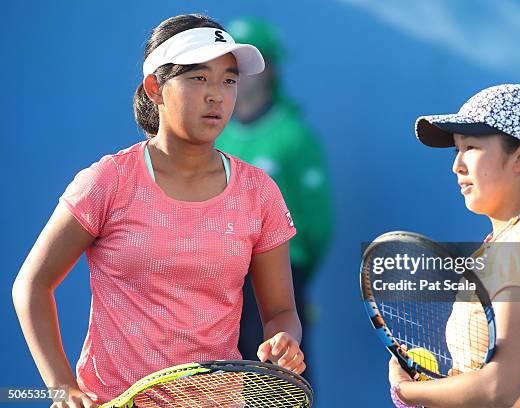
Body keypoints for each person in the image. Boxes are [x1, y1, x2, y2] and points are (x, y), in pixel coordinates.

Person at [12, 13, 305, 406]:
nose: (217, 94)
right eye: (198, 78)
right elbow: (31, 285)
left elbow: (281, 311)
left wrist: (284, 339)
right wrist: (61, 386)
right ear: (155, 88)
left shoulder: (259, 192)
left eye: (229, 79)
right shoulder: (107, 181)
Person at [389, 84, 520, 407]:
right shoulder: (509, 242)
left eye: (470, 147)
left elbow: (499, 387)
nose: (457, 165)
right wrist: (437, 385)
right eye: (456, 149)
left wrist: (407, 390)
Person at [215, 17, 333, 369]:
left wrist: (291, 274)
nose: (242, 75)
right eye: (230, 67)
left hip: (280, 274)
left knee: (281, 381)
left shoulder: (294, 136)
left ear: (272, 70)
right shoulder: (215, 134)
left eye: (252, 65)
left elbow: (318, 224)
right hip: (222, 278)